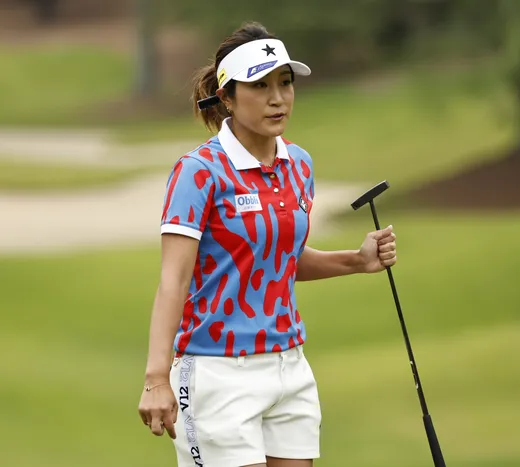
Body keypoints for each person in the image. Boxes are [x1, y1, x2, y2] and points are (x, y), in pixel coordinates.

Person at [137, 22, 398, 467]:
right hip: (217, 373)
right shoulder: (199, 172)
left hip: (289, 368)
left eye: (285, 82)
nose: (278, 98)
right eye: (259, 85)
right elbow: (173, 280)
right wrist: (156, 378)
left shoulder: (299, 164)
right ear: (227, 97)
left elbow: (280, 261)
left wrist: (357, 260)